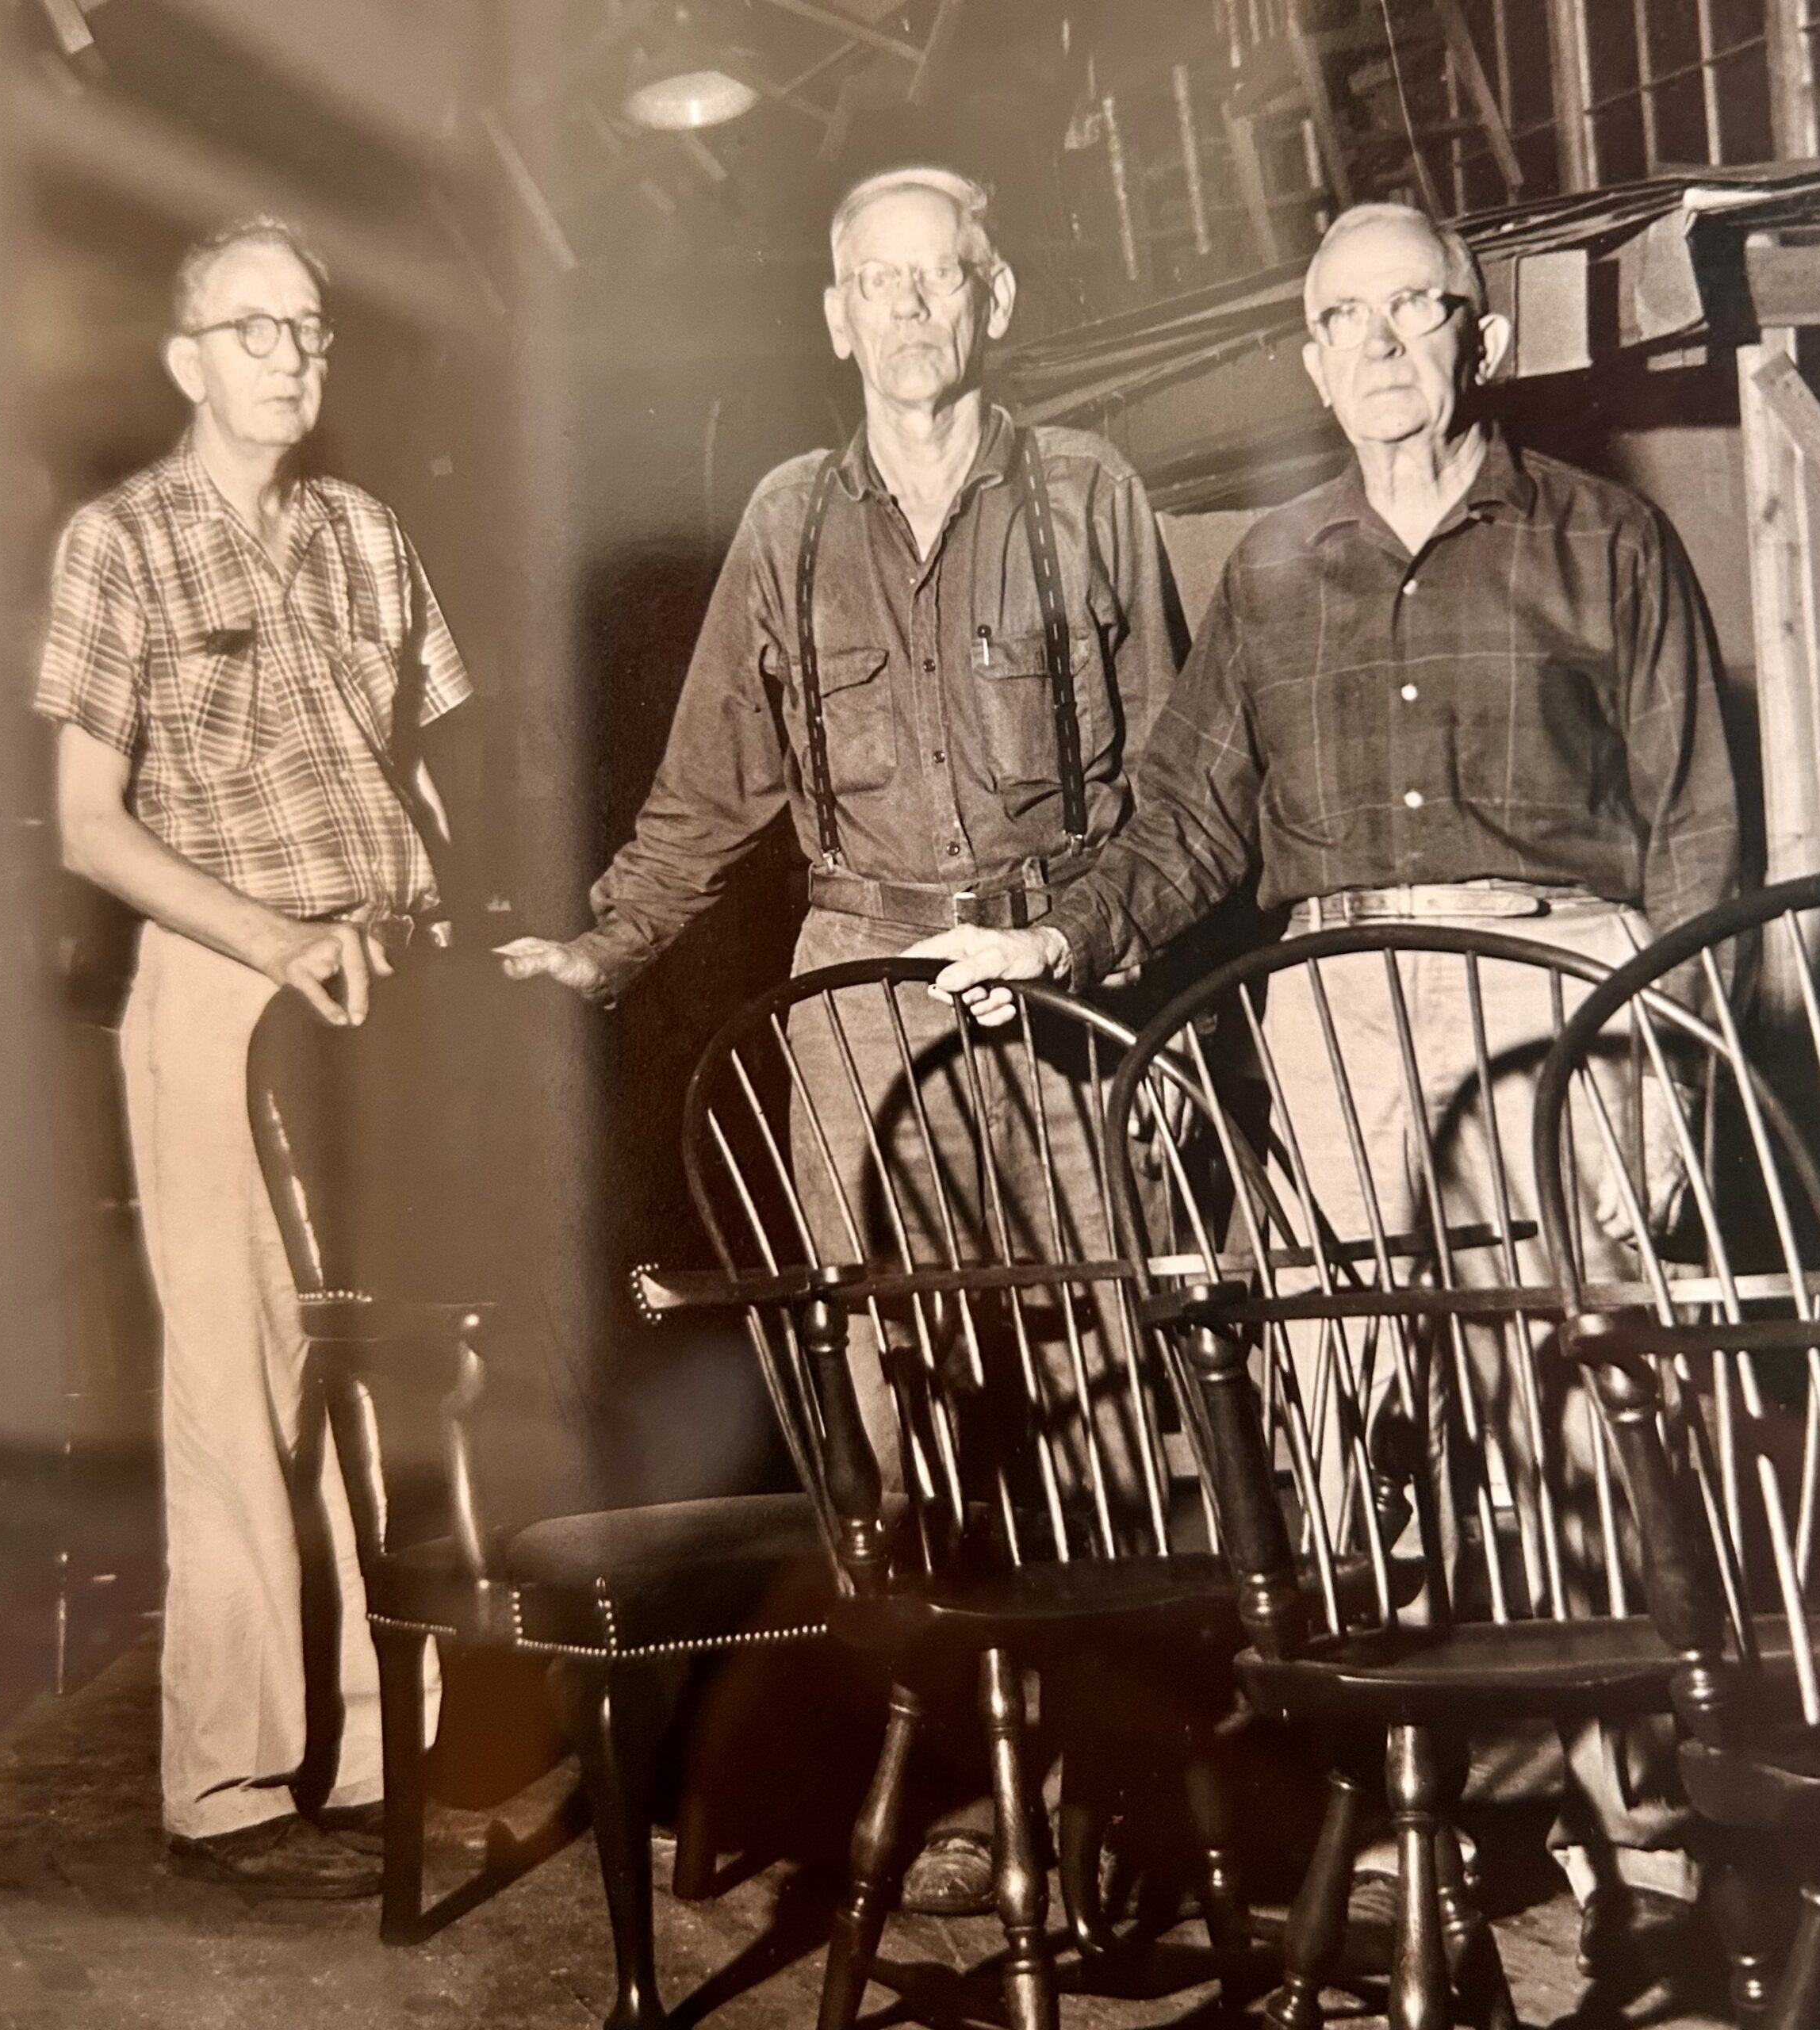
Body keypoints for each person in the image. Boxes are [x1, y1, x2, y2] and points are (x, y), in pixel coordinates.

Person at [919, 201, 1742, 2002]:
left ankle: (1640, 1835)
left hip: (1557, 999)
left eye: (1412, 313)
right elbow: (1187, 824)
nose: (1376, 347)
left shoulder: (1604, 539)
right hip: (1334, 1012)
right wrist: (1056, 938)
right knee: (1364, 1421)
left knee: (1575, 1416)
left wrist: (1667, 1050)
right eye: (1339, 318)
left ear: (1480, 339)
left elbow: (1695, 832)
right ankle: (1420, 1802)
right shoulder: (1269, 569)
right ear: (1306, 354)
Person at [498, 163, 1180, 1911]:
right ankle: (956, 1785)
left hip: (1048, 988)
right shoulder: (790, 519)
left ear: (991, 298)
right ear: (833, 317)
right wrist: (606, 941)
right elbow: (709, 783)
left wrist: (1069, 944)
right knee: (894, 1407)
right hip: (855, 995)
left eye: (937, 279)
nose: (908, 311)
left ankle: (1111, 1798)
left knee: (1094, 1376)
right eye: (875, 283)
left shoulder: (1089, 493)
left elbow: (1167, 783)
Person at [36, 216, 469, 1897]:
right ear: (185, 360)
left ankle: (375, 1757)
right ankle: (228, 1780)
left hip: (379, 989)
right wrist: (272, 937)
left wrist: (436, 923)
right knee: (238, 1380)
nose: (291, 355)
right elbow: (86, 824)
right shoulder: (120, 545)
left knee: (388, 1383)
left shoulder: (367, 537)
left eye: (310, 328)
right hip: (225, 986)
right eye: (253, 328)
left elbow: (416, 783)